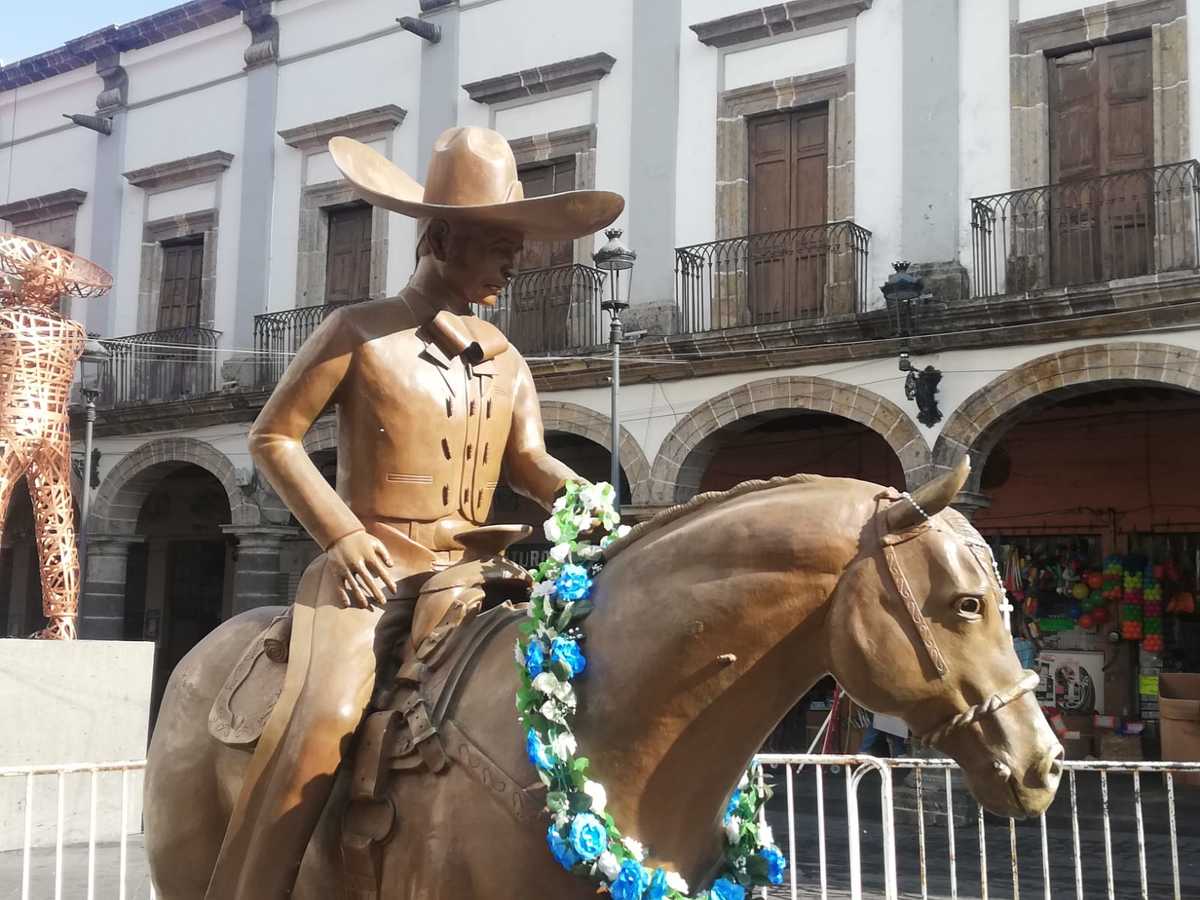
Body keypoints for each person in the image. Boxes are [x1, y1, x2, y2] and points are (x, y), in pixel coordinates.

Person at [204, 126, 623, 900]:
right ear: (442, 236)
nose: (515, 259)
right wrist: (344, 534)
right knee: (321, 721)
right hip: (374, 575)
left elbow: (528, 463)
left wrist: (593, 505)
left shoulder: (505, 357)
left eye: (516, 243)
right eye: (501, 242)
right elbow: (275, 436)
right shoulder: (357, 332)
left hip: (477, 574)